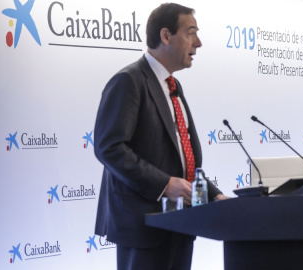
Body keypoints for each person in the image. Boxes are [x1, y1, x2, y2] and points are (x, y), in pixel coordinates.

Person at [93, 3, 228, 269]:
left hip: (180, 225)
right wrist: (164, 185)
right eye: (191, 33)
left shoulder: (173, 85)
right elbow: (109, 148)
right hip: (143, 228)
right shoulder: (128, 81)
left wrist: (215, 196)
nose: (198, 43)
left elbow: (183, 158)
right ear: (166, 36)